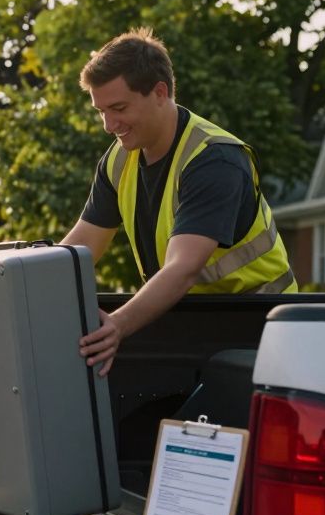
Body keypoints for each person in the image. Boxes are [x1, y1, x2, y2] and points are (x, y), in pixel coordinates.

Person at [64, 28, 297, 376]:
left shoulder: (214, 160)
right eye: (101, 111)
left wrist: (118, 325)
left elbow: (182, 267)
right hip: (188, 323)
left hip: (259, 330)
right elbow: (80, 249)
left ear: (160, 92)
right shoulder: (118, 160)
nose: (108, 125)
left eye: (118, 108)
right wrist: (20, 285)